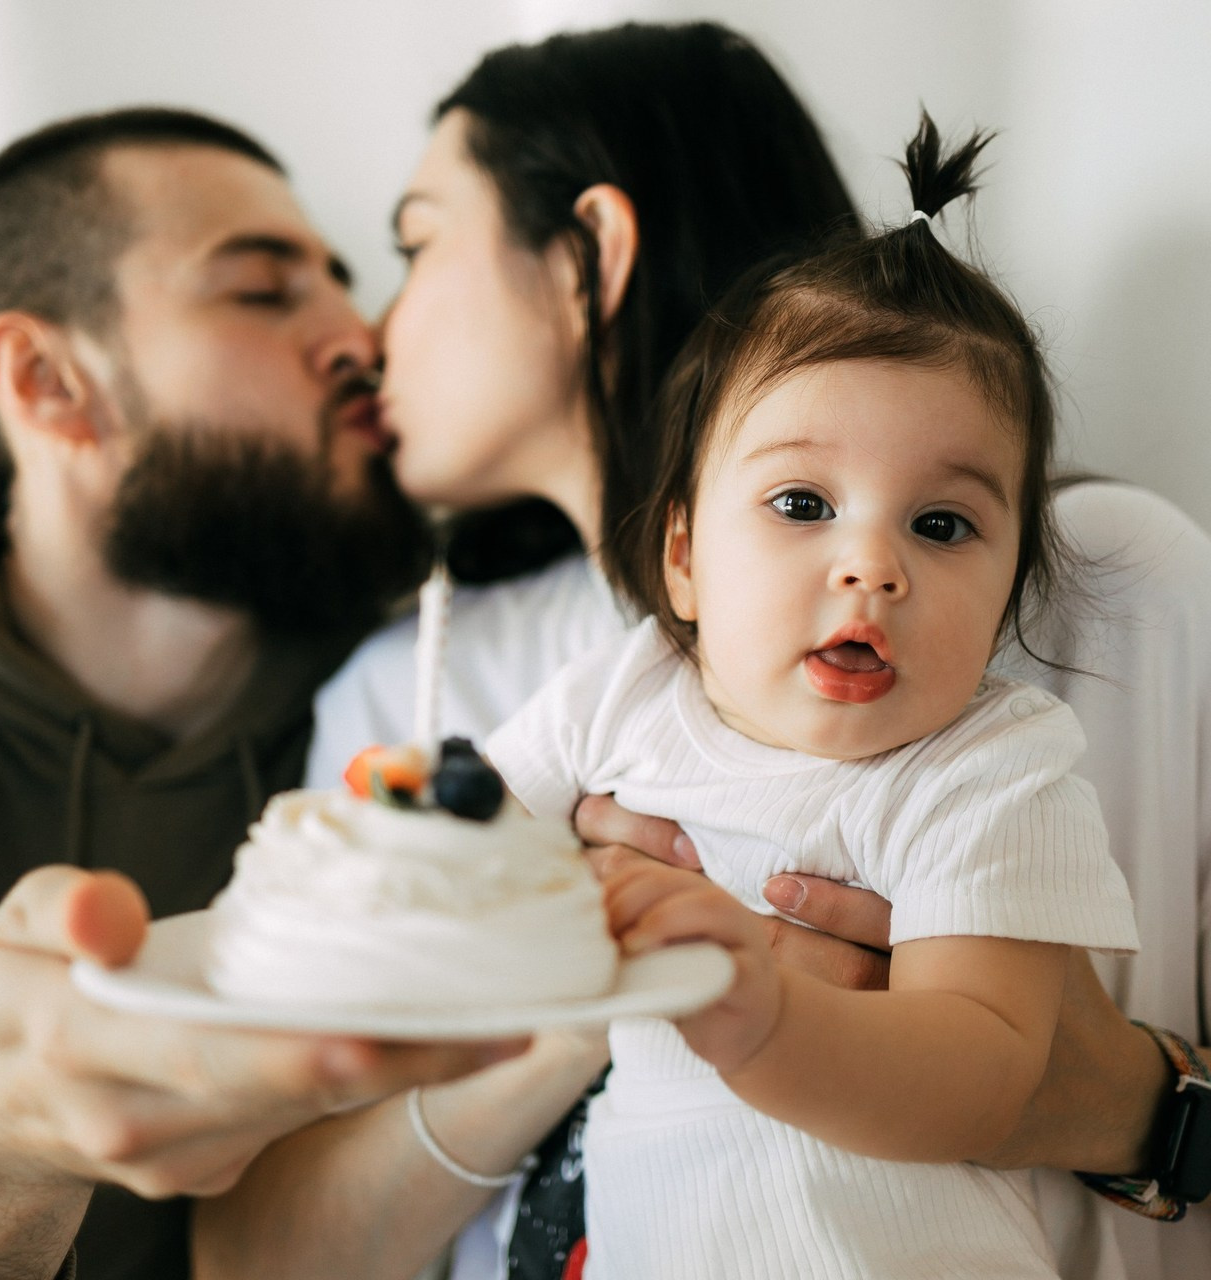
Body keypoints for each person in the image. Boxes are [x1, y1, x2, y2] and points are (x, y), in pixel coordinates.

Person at [195, 21, 1209, 1280]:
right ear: (681, 549)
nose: (371, 333)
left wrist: (1136, 1103)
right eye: (798, 504)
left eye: (413, 247)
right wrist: (573, 974)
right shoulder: (426, 682)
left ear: (590, 256)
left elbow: (993, 1055)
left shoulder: (1084, 598)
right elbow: (249, 1252)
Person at [483, 116, 1138, 1277]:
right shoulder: (626, 691)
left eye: (941, 525)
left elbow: (979, 1074)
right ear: (682, 556)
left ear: (1003, 598)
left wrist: (771, 1022)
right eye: (800, 504)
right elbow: (465, 835)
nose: (870, 565)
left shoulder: (986, 767)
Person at [0, 107, 517, 1280]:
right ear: (46, 382)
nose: (360, 337)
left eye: (344, 285)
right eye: (262, 291)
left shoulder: (430, 710)